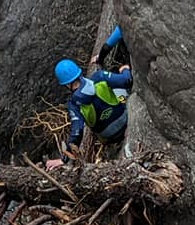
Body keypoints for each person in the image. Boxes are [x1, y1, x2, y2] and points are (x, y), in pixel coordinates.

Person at [47, 29, 132, 166]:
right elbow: (127, 81)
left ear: (66, 84)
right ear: (78, 72)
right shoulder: (99, 77)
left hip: (107, 137)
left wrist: (64, 159)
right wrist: (125, 69)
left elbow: (77, 133)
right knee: (119, 88)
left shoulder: (74, 105)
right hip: (124, 120)